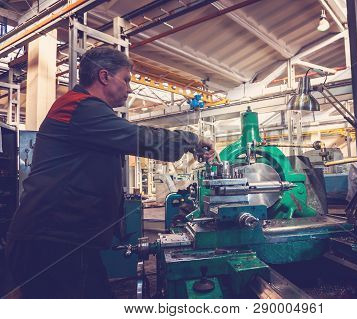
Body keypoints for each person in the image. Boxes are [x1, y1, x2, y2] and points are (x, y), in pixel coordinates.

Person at [5, 46, 214, 298]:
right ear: (104, 76)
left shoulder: (85, 110)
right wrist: (191, 140)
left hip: (64, 240)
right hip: (51, 243)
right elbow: (138, 137)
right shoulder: (80, 108)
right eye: (125, 79)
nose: (130, 88)